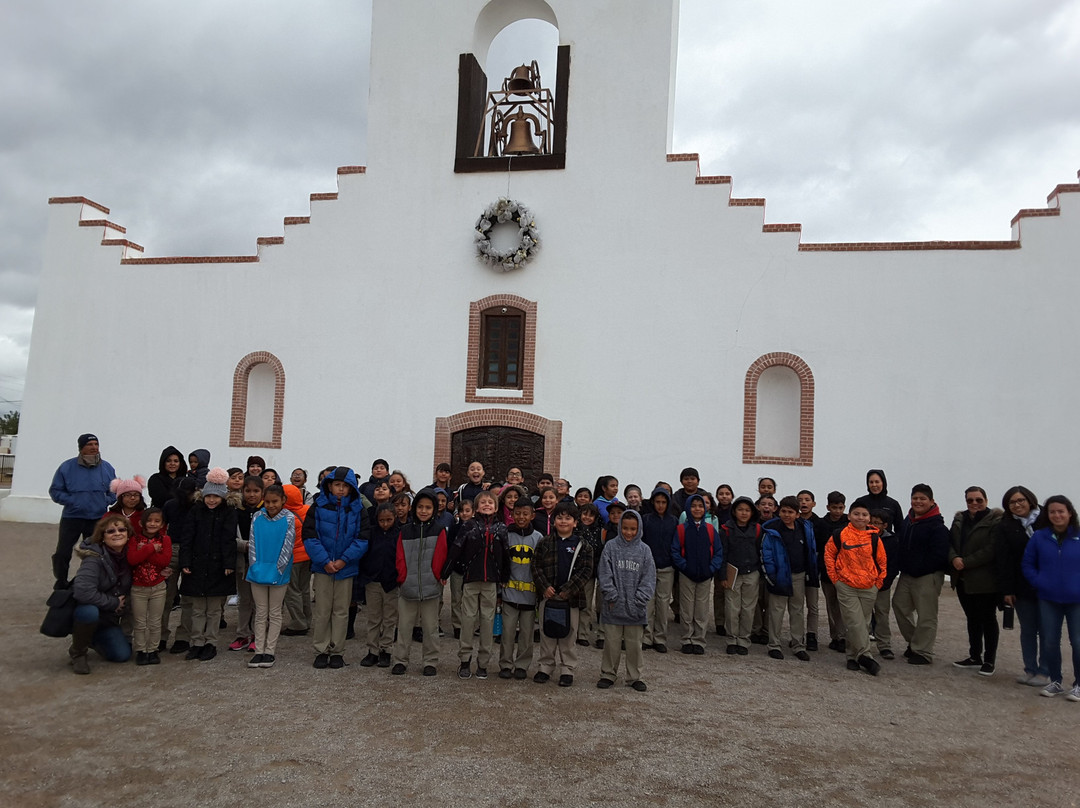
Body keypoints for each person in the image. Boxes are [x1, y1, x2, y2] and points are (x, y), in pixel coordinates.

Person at [302, 466, 368, 670]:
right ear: (329, 486)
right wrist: (324, 561)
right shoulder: (318, 507)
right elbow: (310, 536)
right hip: (323, 567)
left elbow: (363, 538)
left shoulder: (358, 509)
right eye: (337, 485)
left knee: (341, 611)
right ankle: (321, 650)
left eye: (344, 486)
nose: (340, 489)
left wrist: (343, 560)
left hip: (345, 567)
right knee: (322, 610)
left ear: (351, 489)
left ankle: (337, 650)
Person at [443, 490, 509, 679]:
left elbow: (505, 554)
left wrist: (505, 577)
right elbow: (456, 549)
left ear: (496, 507)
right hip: (471, 579)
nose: (487, 504)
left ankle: (483, 663)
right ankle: (464, 661)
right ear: (476, 507)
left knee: (487, 623)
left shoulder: (501, 528)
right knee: (468, 620)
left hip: (491, 583)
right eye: (483, 502)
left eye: (490, 502)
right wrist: (446, 571)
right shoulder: (468, 526)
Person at [1022, 495, 1080, 700]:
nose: (1057, 515)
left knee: (1078, 641)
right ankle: (1055, 681)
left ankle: (1079, 684)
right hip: (1048, 598)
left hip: (1076, 600)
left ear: (1069, 513)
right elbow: (1028, 564)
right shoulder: (1040, 536)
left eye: (1061, 511)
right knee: (1050, 642)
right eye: (1052, 512)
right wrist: (1040, 582)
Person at [532, 502, 595, 687]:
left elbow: (586, 571)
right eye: (560, 517)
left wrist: (568, 589)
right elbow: (535, 567)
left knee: (569, 634)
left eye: (568, 518)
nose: (563, 521)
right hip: (548, 597)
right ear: (554, 520)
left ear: (575, 522)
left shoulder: (583, 546)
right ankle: (545, 667)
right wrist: (544, 587)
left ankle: (567, 669)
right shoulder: (544, 542)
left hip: (571, 599)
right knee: (547, 633)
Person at [179, 468, 238, 662]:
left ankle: (210, 642)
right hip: (196, 565)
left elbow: (229, 539)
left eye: (216, 496)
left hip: (217, 567)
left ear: (222, 497)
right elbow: (187, 538)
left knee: (213, 610)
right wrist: (185, 561)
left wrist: (229, 563)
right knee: (197, 609)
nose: (211, 500)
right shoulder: (195, 511)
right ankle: (196, 642)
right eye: (208, 496)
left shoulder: (228, 513)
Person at [596, 509, 656, 691]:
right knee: (612, 644)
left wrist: (640, 599)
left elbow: (649, 578)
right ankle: (608, 673)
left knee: (634, 646)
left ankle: (634, 676)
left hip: (635, 608)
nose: (629, 533)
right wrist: (612, 595)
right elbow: (604, 574)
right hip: (613, 606)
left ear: (639, 529)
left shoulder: (645, 550)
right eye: (625, 528)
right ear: (620, 526)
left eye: (633, 529)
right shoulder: (611, 547)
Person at [825, 504, 887, 676]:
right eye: (856, 514)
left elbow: (882, 562)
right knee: (854, 621)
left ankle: (852, 657)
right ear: (849, 516)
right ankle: (866, 656)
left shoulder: (875, 538)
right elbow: (829, 554)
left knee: (864, 623)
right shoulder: (840, 535)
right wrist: (835, 580)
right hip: (846, 586)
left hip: (869, 587)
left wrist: (878, 584)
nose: (860, 517)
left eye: (864, 514)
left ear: (869, 518)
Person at [994, 486, 1047, 686]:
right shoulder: (1005, 526)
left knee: (1048, 631)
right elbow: (1003, 560)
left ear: (1030, 500)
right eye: (1012, 502)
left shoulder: (1047, 520)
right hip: (1022, 586)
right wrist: (1006, 590)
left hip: (1047, 585)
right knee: (1028, 630)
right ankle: (1030, 669)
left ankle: (1045, 671)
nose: (1017, 505)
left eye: (1020, 500)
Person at [392, 491, 448, 677]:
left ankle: (430, 661)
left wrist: (436, 576)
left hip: (431, 587)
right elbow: (400, 557)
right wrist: (403, 578)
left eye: (428, 507)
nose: (424, 511)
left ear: (434, 510)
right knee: (404, 626)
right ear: (414, 508)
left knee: (431, 628)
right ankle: (400, 660)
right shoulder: (405, 531)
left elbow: (441, 556)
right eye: (420, 507)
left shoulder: (439, 530)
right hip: (408, 586)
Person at [49, 433, 117, 588]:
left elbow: (114, 490)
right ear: (81, 448)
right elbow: (56, 491)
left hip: (97, 518)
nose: (94, 448)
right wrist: (73, 502)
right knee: (62, 552)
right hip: (72, 517)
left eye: (96, 444)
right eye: (89, 444)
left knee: (95, 553)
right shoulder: (66, 467)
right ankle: (61, 581)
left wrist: (105, 501)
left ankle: (90, 582)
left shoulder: (107, 468)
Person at [893, 483, 950, 665]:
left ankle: (923, 651)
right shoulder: (908, 520)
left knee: (926, 614)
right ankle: (915, 642)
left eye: (922, 498)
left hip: (928, 575)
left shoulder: (937, 527)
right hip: (907, 574)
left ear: (931, 501)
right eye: (915, 498)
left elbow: (939, 555)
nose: (918, 501)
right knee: (899, 605)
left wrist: (921, 568)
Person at [68, 514, 133, 674]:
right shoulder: (94, 558)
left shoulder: (131, 555)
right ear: (102, 537)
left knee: (122, 655)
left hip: (110, 619)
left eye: (121, 529)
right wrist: (114, 602)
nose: (117, 533)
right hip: (94, 610)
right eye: (110, 531)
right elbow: (83, 591)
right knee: (88, 611)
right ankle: (78, 652)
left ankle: (92, 639)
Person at [949, 486, 1003, 675]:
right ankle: (974, 656)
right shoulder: (960, 519)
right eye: (970, 500)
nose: (974, 504)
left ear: (986, 501)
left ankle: (989, 660)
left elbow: (992, 549)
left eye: (978, 500)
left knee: (988, 619)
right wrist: (954, 558)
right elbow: (950, 543)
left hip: (985, 581)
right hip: (963, 579)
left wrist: (966, 562)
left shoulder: (996, 521)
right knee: (972, 619)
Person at [245, 484, 295, 668]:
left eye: (275, 501)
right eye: (267, 501)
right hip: (258, 570)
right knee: (260, 612)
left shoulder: (289, 518)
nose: (271, 505)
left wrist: (278, 569)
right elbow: (253, 543)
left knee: (274, 613)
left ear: (283, 500)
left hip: (279, 572)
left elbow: (287, 546)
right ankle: (258, 650)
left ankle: (270, 651)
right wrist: (255, 566)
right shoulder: (257, 517)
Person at [761, 496, 816, 661]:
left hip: (799, 575)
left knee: (797, 610)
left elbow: (810, 548)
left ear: (797, 514)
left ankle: (798, 644)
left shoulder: (805, 528)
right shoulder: (771, 529)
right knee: (776, 611)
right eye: (783, 511)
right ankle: (774, 645)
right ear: (778, 511)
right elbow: (766, 553)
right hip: (779, 576)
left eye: (790, 512)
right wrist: (771, 575)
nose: (786, 515)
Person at [671, 494, 725, 654]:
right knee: (687, 609)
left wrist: (711, 569)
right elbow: (675, 551)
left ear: (705, 508)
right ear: (688, 508)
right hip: (687, 574)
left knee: (701, 609)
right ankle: (687, 639)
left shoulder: (710, 529)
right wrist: (684, 567)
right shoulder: (681, 529)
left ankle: (699, 640)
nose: (697, 509)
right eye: (693, 506)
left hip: (705, 575)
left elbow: (718, 551)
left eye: (700, 506)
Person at [500, 499, 542, 679]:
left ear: (532, 515)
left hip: (530, 595)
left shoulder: (538, 538)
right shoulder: (506, 535)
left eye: (525, 514)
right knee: (507, 632)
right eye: (517, 513)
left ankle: (522, 665)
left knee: (526, 634)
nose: (521, 517)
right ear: (511, 514)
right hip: (509, 593)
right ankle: (505, 664)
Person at [127, 507, 172, 666]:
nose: (152, 524)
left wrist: (145, 552)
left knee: (155, 621)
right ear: (141, 523)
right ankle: (141, 650)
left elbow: (164, 561)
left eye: (157, 521)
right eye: (149, 520)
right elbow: (133, 559)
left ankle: (153, 649)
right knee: (139, 622)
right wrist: (151, 548)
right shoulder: (134, 540)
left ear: (162, 524)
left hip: (158, 586)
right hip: (138, 588)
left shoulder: (165, 540)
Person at [358, 503, 401, 668]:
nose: (385, 523)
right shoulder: (371, 533)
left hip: (392, 582)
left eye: (389, 520)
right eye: (382, 520)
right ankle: (372, 650)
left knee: (390, 619)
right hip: (373, 581)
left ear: (395, 518)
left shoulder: (400, 534)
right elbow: (364, 555)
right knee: (373, 618)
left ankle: (386, 650)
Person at [720, 497, 761, 655]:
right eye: (740, 509)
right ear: (734, 511)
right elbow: (723, 553)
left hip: (752, 572)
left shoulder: (757, 529)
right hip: (733, 572)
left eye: (747, 510)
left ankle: (744, 640)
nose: (743, 513)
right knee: (731, 608)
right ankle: (731, 639)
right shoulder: (726, 529)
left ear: (752, 512)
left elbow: (759, 550)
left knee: (748, 608)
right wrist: (723, 575)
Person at [641, 487, 677, 653]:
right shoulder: (646, 520)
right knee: (648, 603)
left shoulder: (673, 521)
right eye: (657, 502)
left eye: (663, 502)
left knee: (663, 604)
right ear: (652, 502)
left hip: (667, 567)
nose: (660, 505)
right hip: (648, 567)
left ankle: (660, 638)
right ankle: (646, 637)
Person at [814, 491, 849, 652]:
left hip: (845, 571)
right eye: (834, 507)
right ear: (828, 507)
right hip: (827, 570)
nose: (837, 511)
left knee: (845, 605)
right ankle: (835, 636)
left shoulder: (849, 523)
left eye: (840, 508)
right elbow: (820, 547)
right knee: (831, 604)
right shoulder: (821, 524)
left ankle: (844, 636)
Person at [869, 509, 900, 660]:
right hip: (864, 583)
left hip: (883, 585)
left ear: (885, 525)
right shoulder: (863, 537)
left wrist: (885, 582)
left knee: (882, 614)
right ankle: (862, 645)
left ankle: (884, 645)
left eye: (877, 523)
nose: (873, 525)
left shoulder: (891, 541)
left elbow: (893, 565)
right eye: (871, 522)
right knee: (863, 615)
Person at [851, 469, 905, 537]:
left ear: (883, 483)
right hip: (863, 542)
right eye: (871, 482)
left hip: (886, 542)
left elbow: (900, 529)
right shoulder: (860, 502)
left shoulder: (893, 504)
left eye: (877, 482)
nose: (874, 485)